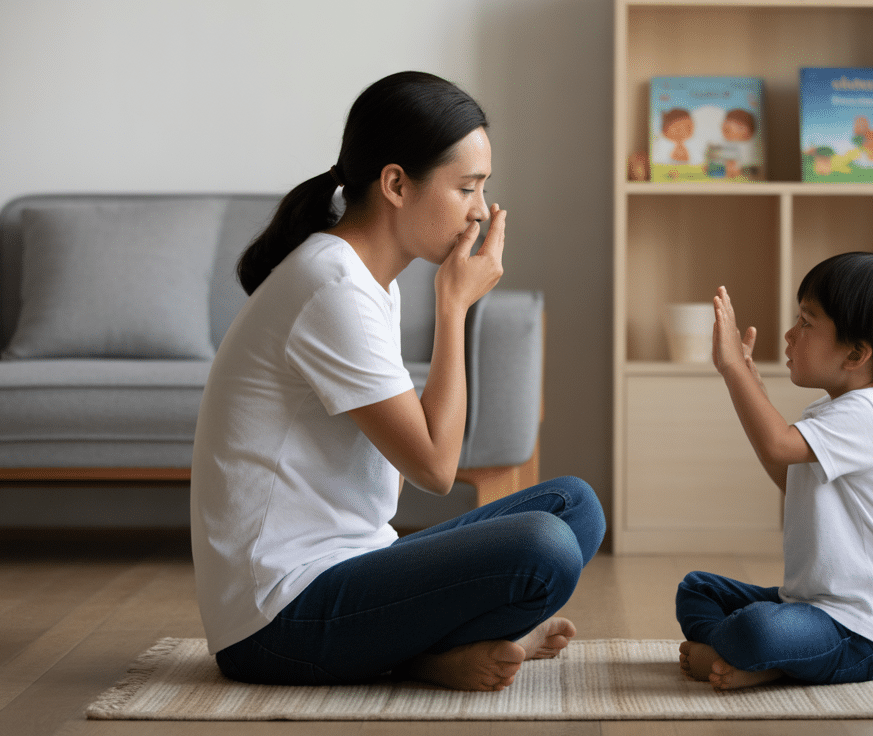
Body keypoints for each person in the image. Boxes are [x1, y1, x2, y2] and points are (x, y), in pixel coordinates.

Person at [190, 71, 604, 691]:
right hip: (275, 619)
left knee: (575, 507)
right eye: (466, 187)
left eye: (483, 187)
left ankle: (425, 651)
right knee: (544, 547)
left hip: (353, 566)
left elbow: (411, 455)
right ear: (396, 184)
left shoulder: (365, 282)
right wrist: (454, 308)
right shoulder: (332, 286)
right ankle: (423, 656)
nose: (480, 210)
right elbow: (437, 469)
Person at [677, 252, 873, 690]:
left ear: (856, 353)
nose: (789, 333)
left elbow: (777, 444)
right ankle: (755, 657)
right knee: (697, 590)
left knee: (756, 628)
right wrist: (753, 387)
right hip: (806, 607)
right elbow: (791, 477)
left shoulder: (869, 414)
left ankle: (756, 656)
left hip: (856, 633)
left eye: (806, 321)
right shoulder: (837, 410)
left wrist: (733, 369)